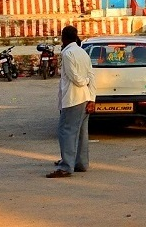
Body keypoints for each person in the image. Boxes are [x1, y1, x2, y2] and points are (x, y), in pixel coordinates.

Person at [48, 25, 95, 178]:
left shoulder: (68, 54)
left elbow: (75, 77)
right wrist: (92, 98)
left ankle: (66, 166)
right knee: (81, 132)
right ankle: (80, 162)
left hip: (73, 98)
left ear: (63, 37)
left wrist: (84, 81)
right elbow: (91, 76)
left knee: (65, 131)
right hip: (84, 97)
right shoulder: (83, 53)